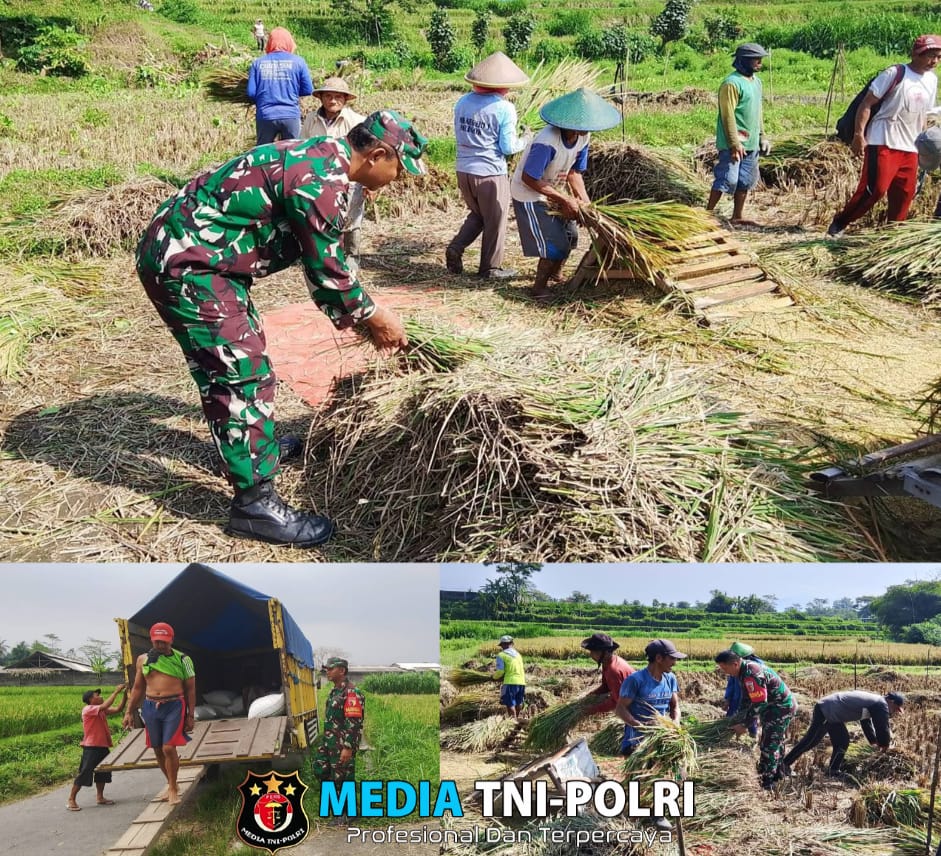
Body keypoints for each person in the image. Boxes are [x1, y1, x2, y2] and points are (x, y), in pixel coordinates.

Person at [136, 111, 427, 547]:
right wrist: (375, 317)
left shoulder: (321, 161)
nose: (398, 179)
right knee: (241, 373)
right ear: (378, 154)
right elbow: (329, 272)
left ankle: (251, 450)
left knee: (237, 361)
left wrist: (361, 314)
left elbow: (321, 267)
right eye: (399, 169)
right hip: (189, 266)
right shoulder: (321, 180)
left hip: (206, 263)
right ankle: (254, 506)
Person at [510, 88, 620, 300]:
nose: (585, 129)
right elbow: (529, 178)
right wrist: (565, 200)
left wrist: (586, 205)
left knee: (571, 236)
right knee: (555, 241)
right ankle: (538, 288)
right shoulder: (547, 141)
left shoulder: (583, 138)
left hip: (554, 190)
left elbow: (574, 172)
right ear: (568, 123)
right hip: (530, 193)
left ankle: (555, 273)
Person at [828, 35, 941, 236]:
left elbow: (924, 113)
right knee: (875, 190)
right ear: (916, 54)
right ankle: (840, 224)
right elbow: (866, 104)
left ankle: (891, 237)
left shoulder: (932, 80)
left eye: (938, 57)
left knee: (905, 195)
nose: (935, 61)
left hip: (911, 146)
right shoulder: (895, 73)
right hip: (883, 140)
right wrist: (858, 135)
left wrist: (923, 143)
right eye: (931, 56)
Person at [446, 51, 530, 280]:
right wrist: (526, 139)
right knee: (496, 218)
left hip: (464, 169)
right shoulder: (504, 108)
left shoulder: (462, 102)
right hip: (490, 172)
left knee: (479, 213)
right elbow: (508, 146)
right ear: (504, 86)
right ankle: (490, 268)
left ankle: (456, 247)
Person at [615, 639, 686, 831]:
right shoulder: (636, 680)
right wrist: (640, 726)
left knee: (665, 775)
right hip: (637, 739)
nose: (675, 662)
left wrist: (675, 723)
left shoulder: (670, 679)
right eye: (672, 658)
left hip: (662, 736)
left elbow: (675, 706)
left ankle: (657, 812)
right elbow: (620, 709)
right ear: (659, 658)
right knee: (640, 778)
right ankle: (638, 811)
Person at [123, 622, 197, 806]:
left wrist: (190, 715)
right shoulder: (143, 660)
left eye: (164, 641)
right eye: (157, 642)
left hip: (174, 706)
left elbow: (191, 690)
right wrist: (129, 712)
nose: (160, 645)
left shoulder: (183, 660)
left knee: (168, 748)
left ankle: (172, 788)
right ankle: (171, 783)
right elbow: (138, 687)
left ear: (171, 640)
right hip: (150, 707)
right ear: (151, 640)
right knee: (157, 748)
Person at [301, 78, 367, 263]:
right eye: (328, 96)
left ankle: (351, 258)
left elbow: (365, 155)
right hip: (318, 179)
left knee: (351, 220)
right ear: (320, 98)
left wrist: (370, 184)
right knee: (322, 218)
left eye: (338, 97)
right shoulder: (311, 120)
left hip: (349, 179)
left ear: (345, 99)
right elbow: (302, 148)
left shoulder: (357, 122)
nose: (332, 101)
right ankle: (326, 258)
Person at [706, 43, 771, 227]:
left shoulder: (757, 82)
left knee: (745, 180)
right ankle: (707, 214)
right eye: (756, 59)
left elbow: (757, 111)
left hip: (751, 142)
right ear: (744, 61)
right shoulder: (731, 83)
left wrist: (762, 136)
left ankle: (737, 215)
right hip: (733, 144)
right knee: (728, 178)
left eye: (760, 58)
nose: (759, 62)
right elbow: (727, 115)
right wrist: (734, 144)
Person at [715, 648, 796, 789]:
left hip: (780, 707)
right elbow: (747, 699)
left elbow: (759, 702)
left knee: (769, 744)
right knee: (774, 740)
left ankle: (768, 781)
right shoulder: (742, 671)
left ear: (735, 664)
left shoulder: (751, 673)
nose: (724, 672)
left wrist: (745, 725)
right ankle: (778, 772)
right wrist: (738, 718)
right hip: (771, 707)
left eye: (724, 668)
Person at [782, 690, 905, 777]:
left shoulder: (875, 702)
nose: (893, 712)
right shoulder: (881, 704)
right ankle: (784, 765)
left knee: (843, 741)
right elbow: (882, 726)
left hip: (834, 715)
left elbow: (866, 722)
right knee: (810, 741)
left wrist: (873, 741)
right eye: (895, 708)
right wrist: (884, 744)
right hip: (827, 710)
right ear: (891, 701)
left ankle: (833, 770)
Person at [313, 656, 364, 824]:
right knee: (323, 771)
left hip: (342, 745)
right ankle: (338, 809)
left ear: (341, 670)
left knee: (344, 777)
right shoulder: (335, 691)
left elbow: (354, 723)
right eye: (326, 668)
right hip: (330, 743)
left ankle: (349, 813)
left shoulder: (351, 693)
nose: (327, 671)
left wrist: (348, 747)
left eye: (330, 668)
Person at [246, 27, 314, 146]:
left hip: (266, 116)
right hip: (290, 115)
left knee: (263, 155)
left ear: (270, 42)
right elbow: (308, 89)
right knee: (293, 154)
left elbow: (251, 92)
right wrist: (292, 92)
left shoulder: (257, 63)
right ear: (289, 42)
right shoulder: (299, 62)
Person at [66, 684, 128, 811]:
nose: (100, 696)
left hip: (102, 745)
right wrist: (116, 692)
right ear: (90, 700)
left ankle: (100, 797)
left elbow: (118, 709)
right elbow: (105, 705)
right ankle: (71, 799)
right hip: (91, 747)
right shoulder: (88, 709)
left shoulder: (101, 711)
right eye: (97, 695)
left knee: (103, 771)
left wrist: (125, 696)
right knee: (85, 772)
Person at [580, 632, 634, 716]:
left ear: (602, 653)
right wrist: (591, 695)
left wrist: (593, 710)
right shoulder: (607, 663)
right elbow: (606, 687)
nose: (590, 655)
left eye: (592, 651)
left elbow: (617, 702)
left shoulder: (613, 671)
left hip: (636, 706)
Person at [722, 641, 760, 737]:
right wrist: (727, 699)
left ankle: (753, 735)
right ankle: (727, 735)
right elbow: (731, 684)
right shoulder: (734, 667)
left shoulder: (754, 668)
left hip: (752, 697)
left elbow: (760, 699)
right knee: (731, 717)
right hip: (737, 697)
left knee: (750, 716)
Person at [493, 634, 525, 718]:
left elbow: (500, 671)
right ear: (511, 644)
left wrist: (493, 677)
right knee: (518, 702)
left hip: (510, 682)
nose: (501, 647)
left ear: (503, 644)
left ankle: (512, 722)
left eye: (502, 645)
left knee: (509, 703)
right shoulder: (518, 655)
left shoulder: (501, 655)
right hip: (521, 682)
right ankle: (517, 719)